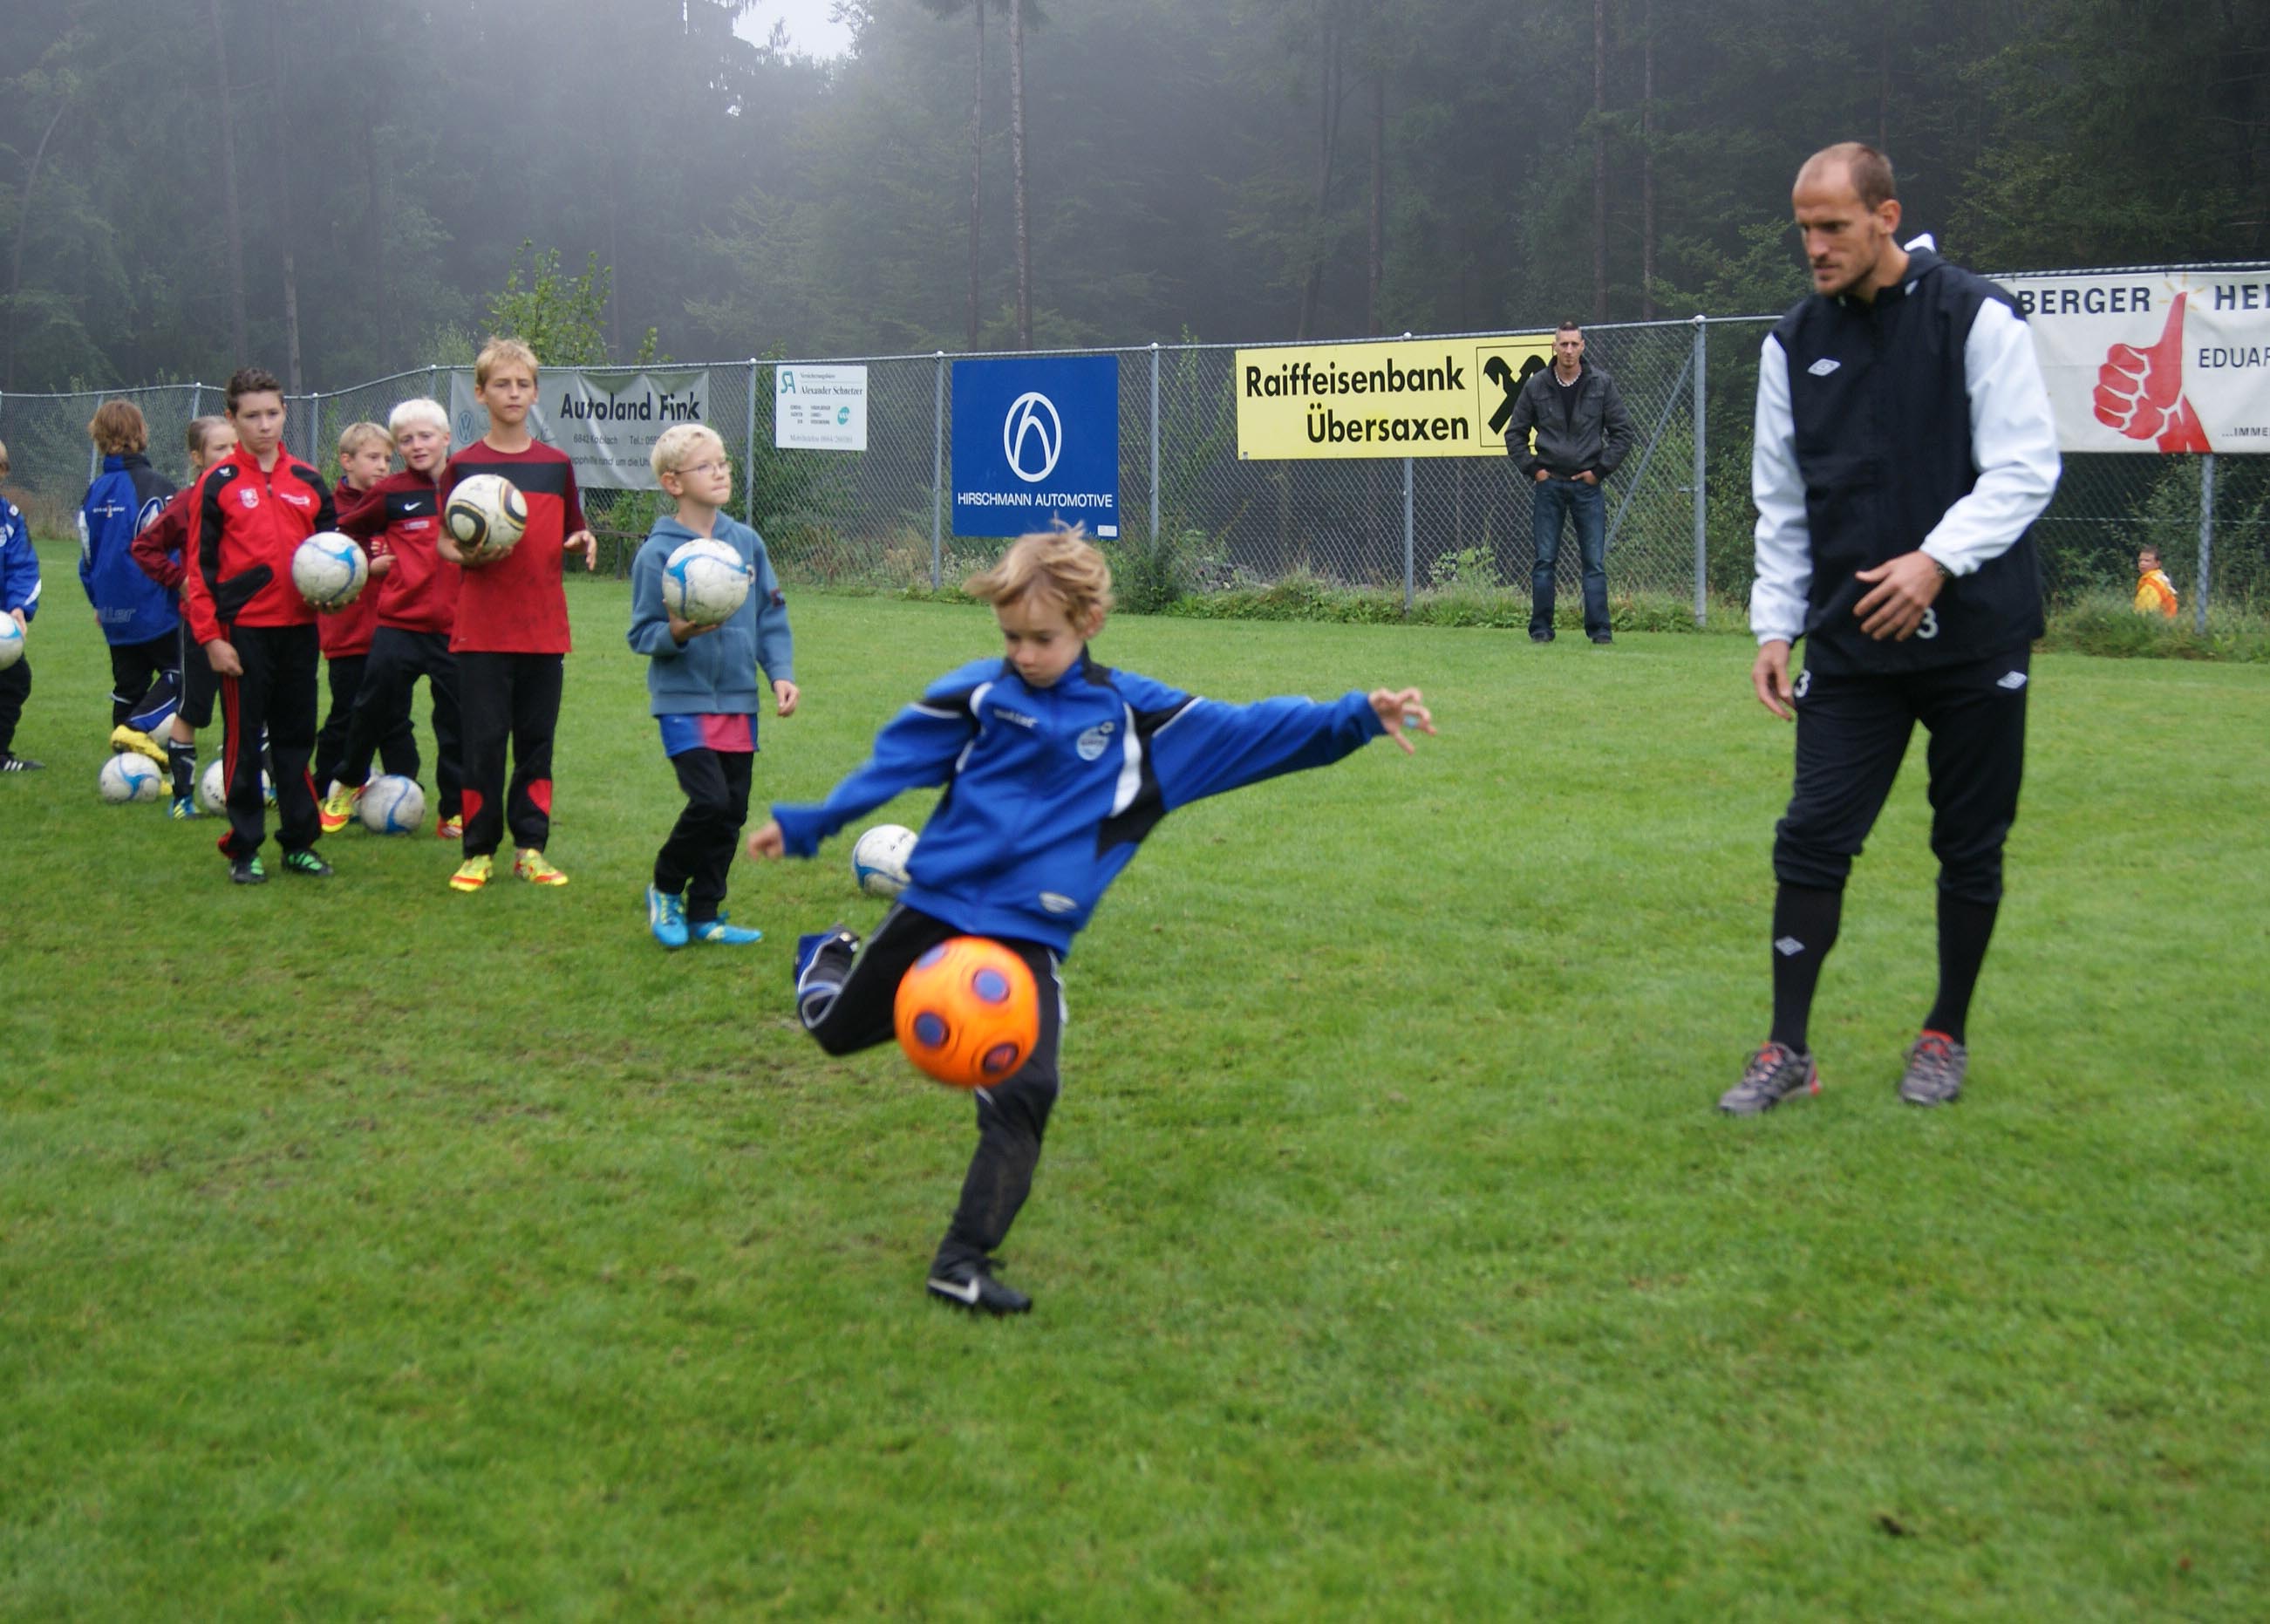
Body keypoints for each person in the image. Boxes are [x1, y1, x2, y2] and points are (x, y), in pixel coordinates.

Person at [745, 526, 1435, 1314]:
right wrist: (809, 825)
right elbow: (894, 765)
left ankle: (960, 1261)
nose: (1024, 655)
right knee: (835, 1033)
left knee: (1026, 1091)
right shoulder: (979, 696)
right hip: (933, 911)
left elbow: (1253, 733)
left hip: (1025, 941)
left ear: (1089, 624)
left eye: (1042, 639)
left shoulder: (1141, 725)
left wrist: (1357, 717)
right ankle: (826, 958)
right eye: (1011, 637)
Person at [1721, 141, 2061, 1116]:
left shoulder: (1975, 315)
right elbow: (1781, 503)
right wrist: (1773, 627)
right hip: (1850, 645)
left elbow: (2024, 467)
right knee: (1809, 837)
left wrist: (1934, 560)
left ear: (1884, 216)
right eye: (1803, 229)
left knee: (1968, 843)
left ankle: (1943, 1032)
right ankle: (1787, 1049)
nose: (1815, 247)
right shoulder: (1790, 344)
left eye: (1832, 226)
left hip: (1975, 637)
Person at [436, 336, 597, 893]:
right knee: (482, 744)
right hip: (481, 631)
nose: (512, 392)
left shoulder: (556, 465)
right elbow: (444, 542)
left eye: (522, 384)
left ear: (535, 393)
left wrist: (582, 541)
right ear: (480, 393)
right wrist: (467, 553)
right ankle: (477, 852)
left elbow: (576, 527)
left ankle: (530, 849)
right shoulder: (462, 466)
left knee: (536, 745)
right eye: (501, 384)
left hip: (543, 630)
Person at [627, 424, 797, 948]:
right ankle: (665, 887)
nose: (721, 472)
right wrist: (676, 633)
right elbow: (642, 633)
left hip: (739, 701)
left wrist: (780, 673)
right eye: (706, 466)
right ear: (673, 482)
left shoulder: (746, 543)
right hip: (684, 700)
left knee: (732, 811)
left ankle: (705, 911)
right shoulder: (658, 555)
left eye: (723, 462)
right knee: (708, 801)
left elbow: (770, 616)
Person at [181, 367, 343, 884]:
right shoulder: (218, 483)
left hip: (299, 632)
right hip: (243, 633)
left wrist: (337, 595)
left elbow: (336, 556)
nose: (264, 425)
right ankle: (244, 846)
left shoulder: (309, 482)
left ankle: (299, 842)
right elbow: (199, 570)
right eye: (252, 416)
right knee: (244, 743)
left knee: (295, 740)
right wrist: (210, 638)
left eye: (272, 413)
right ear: (233, 419)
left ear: (285, 413)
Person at [326, 398, 466, 839]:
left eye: (426, 436)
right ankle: (349, 783)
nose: (417, 445)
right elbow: (346, 531)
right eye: (406, 440)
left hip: (455, 628)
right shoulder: (390, 492)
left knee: (456, 722)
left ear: (446, 438)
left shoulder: (469, 486)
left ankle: (454, 810)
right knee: (370, 708)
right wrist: (366, 562)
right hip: (398, 625)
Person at [132, 416, 240, 815]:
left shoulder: (250, 496)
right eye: (220, 448)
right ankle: (182, 799)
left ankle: (258, 789)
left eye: (235, 447)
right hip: (200, 622)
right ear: (197, 457)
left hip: (248, 620)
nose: (230, 454)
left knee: (250, 709)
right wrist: (179, 580)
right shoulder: (188, 501)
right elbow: (144, 547)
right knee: (193, 708)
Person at [1503, 321, 1633, 644]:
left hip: (1587, 487)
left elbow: (1623, 433)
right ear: (1554, 347)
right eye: (1564, 344)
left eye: (1575, 344)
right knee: (1544, 561)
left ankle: (1600, 631)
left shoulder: (1601, 384)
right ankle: (1541, 629)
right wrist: (1534, 470)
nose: (1569, 351)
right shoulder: (1536, 386)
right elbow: (1514, 434)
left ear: (1583, 346)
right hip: (1549, 485)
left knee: (1594, 562)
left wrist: (1599, 471)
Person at [313, 421, 416, 822]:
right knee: (348, 714)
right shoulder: (330, 512)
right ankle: (323, 786)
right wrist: (366, 569)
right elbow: (318, 568)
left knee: (395, 717)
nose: (382, 466)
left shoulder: (393, 505)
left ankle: (405, 791)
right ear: (347, 460)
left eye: (387, 459)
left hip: (392, 633)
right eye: (373, 458)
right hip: (348, 635)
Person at [78, 399, 181, 763]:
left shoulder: (93, 491)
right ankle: (136, 727)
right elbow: (172, 548)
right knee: (186, 672)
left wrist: (98, 601)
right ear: (141, 433)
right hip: (154, 606)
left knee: (129, 685)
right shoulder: (156, 486)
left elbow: (87, 556)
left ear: (98, 436)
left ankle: (124, 769)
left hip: (112, 610)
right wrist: (183, 589)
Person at [0, 440, 42, 772]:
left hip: (2, 625)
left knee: (16, 680)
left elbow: (23, 567)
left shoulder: (10, 519)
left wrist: (18, 608)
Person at [2134, 546, 2178, 620]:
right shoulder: (2160, 577)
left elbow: (2144, 612)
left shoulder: (2151, 584)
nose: (2142, 563)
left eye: (2147, 561)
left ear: (2157, 564)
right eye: (2140, 560)